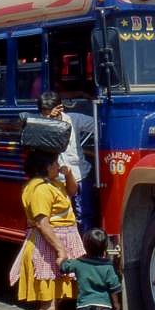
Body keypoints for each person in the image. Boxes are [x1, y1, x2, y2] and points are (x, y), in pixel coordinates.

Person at [9, 150, 86, 310]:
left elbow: (73, 191)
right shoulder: (40, 189)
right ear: (44, 166)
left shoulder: (52, 183)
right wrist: (61, 250)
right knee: (48, 299)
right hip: (47, 248)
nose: (57, 165)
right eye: (54, 162)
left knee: (55, 296)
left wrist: (68, 174)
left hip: (56, 244)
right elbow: (43, 224)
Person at [37, 91, 96, 234]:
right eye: (43, 113)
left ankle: (85, 247)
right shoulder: (39, 123)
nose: (45, 116)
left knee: (84, 215)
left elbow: (99, 126)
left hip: (79, 174)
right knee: (60, 217)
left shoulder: (73, 119)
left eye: (48, 112)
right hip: (56, 180)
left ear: (60, 108)